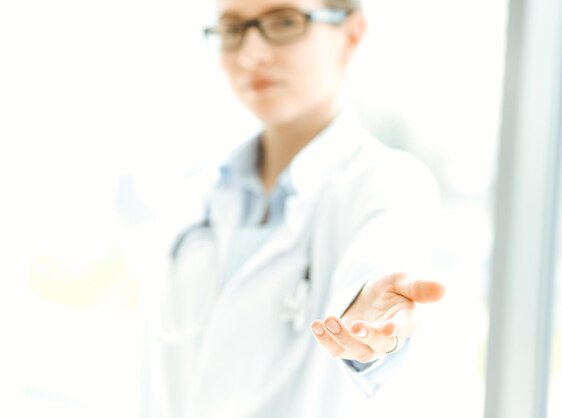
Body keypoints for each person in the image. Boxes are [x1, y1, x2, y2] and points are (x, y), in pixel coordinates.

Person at [146, 0, 445, 417]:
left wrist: (371, 325)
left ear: (351, 35)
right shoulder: (195, 200)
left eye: (284, 21)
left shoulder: (388, 183)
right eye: (233, 28)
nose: (250, 53)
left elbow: (379, 270)